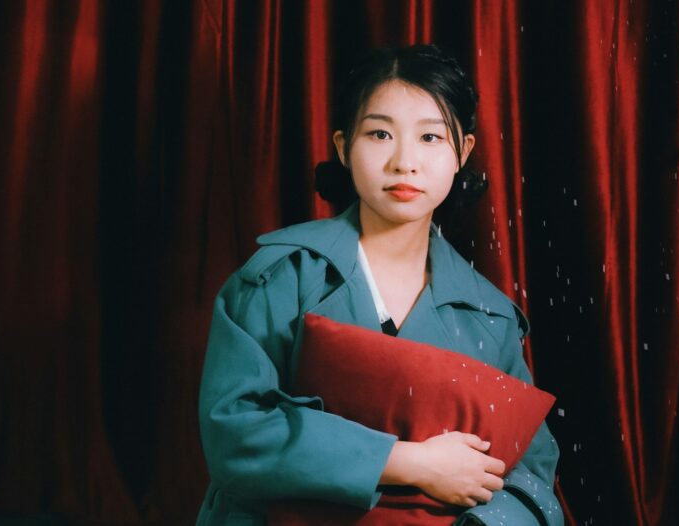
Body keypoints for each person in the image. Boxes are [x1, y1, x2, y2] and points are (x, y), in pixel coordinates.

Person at [195, 44, 563, 526]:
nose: (404, 161)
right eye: (380, 133)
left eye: (431, 137)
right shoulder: (282, 275)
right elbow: (235, 431)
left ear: (463, 153)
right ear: (344, 147)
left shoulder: (488, 317)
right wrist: (410, 463)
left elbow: (529, 471)